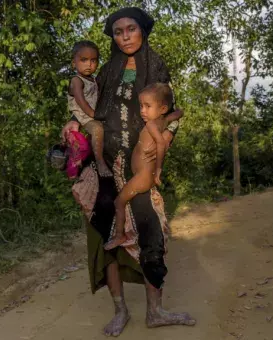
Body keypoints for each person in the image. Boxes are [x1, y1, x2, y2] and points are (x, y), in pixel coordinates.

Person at [61, 7, 196, 337]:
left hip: (139, 166)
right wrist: (72, 122)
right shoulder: (105, 71)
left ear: (143, 31)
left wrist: (164, 134)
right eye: (118, 31)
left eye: (131, 28)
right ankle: (120, 309)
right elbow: (84, 104)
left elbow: (172, 111)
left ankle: (155, 310)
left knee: (153, 232)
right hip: (104, 166)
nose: (124, 36)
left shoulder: (157, 66)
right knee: (106, 236)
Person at [104, 83, 183, 251]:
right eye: (141, 106)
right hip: (142, 175)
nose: (142, 111)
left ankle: (120, 235)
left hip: (143, 176)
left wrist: (159, 170)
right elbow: (176, 114)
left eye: (147, 106)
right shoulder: (162, 120)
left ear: (162, 108)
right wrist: (179, 112)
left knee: (119, 202)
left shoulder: (151, 125)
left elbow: (161, 145)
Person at [67, 40, 112, 177]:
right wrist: (94, 114)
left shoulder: (92, 79)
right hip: (84, 117)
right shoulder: (76, 80)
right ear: (74, 63)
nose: (89, 64)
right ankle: (100, 163)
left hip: (92, 115)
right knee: (98, 129)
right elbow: (81, 101)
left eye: (93, 60)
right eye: (84, 60)